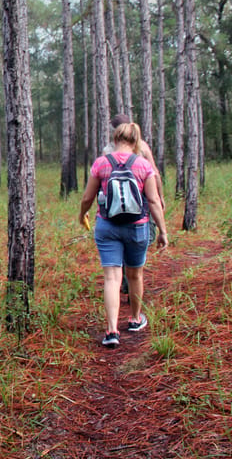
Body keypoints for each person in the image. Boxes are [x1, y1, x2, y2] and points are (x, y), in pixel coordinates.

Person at [79, 122, 168, 347]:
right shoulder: (143, 165)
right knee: (135, 275)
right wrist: (163, 231)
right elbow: (154, 201)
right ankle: (136, 319)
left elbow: (88, 198)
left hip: (107, 226)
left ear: (115, 139)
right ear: (135, 141)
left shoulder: (101, 163)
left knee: (112, 278)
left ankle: (111, 331)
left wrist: (82, 215)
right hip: (137, 226)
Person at [104, 114, 165, 294]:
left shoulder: (107, 150)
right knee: (142, 238)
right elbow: (154, 173)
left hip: (115, 206)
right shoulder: (142, 146)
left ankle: (125, 274)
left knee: (120, 239)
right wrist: (160, 196)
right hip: (142, 202)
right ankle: (132, 276)